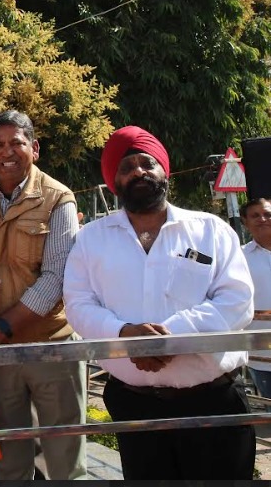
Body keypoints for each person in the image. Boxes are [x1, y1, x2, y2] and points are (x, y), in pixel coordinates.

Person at [63, 125, 255, 480]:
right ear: (113, 181)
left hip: (213, 402)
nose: (139, 171)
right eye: (127, 167)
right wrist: (125, 334)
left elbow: (237, 302)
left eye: (147, 163)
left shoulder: (210, 230)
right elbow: (78, 304)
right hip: (135, 404)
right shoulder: (91, 239)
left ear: (164, 171)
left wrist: (167, 336)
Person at [0, 110, 86, 480]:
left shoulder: (59, 198)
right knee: (9, 460)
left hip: (50, 347)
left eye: (17, 142)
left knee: (64, 458)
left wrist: (0, 328)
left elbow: (56, 277)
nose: (7, 152)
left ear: (35, 148)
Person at [243, 197, 271, 397]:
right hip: (262, 353)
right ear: (245, 222)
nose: (263, 219)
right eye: (255, 216)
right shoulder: (238, 257)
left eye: (268, 214)